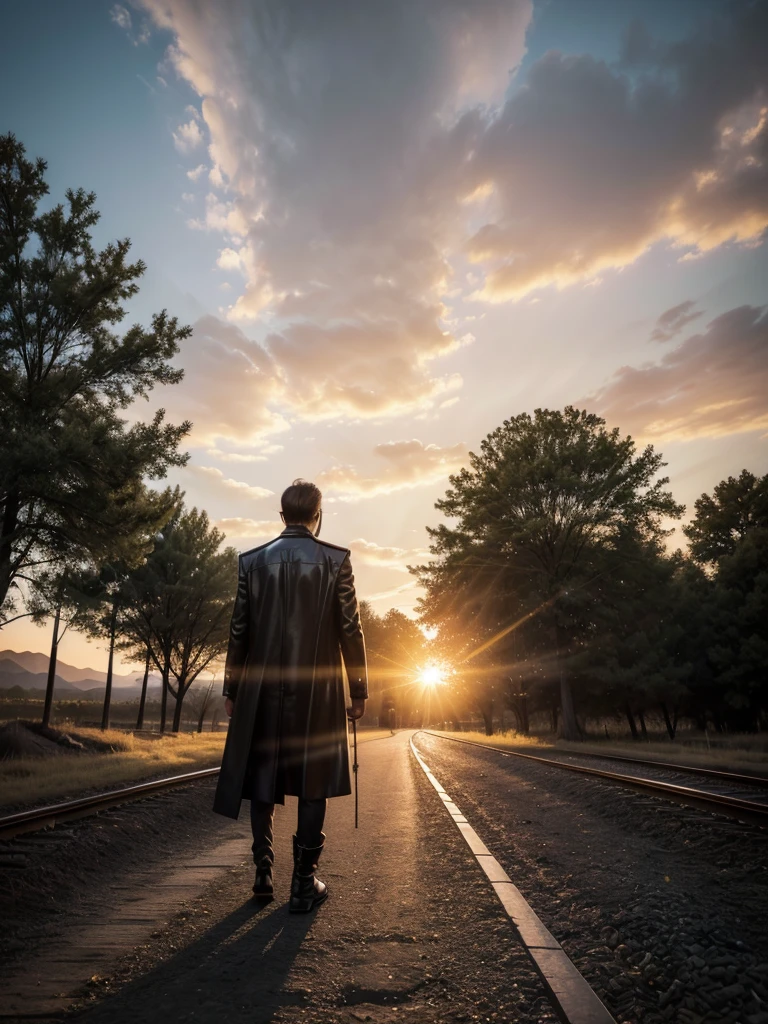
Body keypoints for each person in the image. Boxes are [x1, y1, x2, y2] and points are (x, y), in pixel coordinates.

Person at [213, 479, 368, 913]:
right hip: (317, 690)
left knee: (262, 778)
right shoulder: (336, 560)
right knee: (312, 781)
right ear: (318, 515)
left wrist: (231, 689)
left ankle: (263, 871)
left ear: (282, 516)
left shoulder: (251, 562)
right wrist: (358, 690)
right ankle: (303, 884)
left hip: (259, 689)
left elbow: (238, 631)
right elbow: (351, 631)